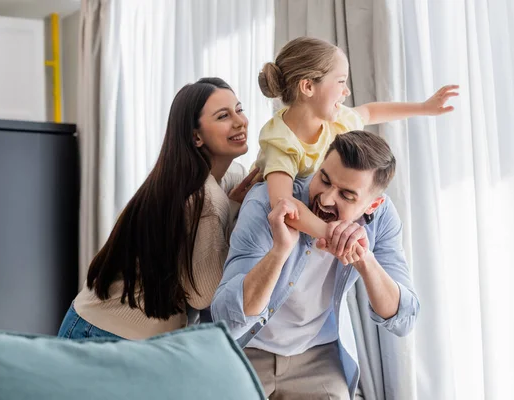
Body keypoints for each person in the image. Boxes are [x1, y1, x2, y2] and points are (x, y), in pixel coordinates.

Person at [212, 130, 420, 399]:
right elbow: (226, 318)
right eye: (324, 179)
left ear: (374, 204)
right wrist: (279, 251)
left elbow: (405, 319)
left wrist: (365, 261)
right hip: (247, 350)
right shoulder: (267, 202)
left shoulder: (382, 219)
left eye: (346, 195)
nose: (325, 198)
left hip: (318, 357)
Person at [58, 77, 260, 340]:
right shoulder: (204, 196)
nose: (239, 121)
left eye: (239, 109)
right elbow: (204, 294)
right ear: (196, 137)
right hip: (104, 333)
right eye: (223, 116)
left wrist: (233, 205)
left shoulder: (216, 177)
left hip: (106, 325)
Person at [255, 36, 458, 239]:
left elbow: (370, 112)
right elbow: (283, 206)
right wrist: (333, 236)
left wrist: (424, 108)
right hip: (266, 228)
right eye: (341, 81)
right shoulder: (280, 142)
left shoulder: (337, 120)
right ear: (308, 87)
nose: (347, 91)